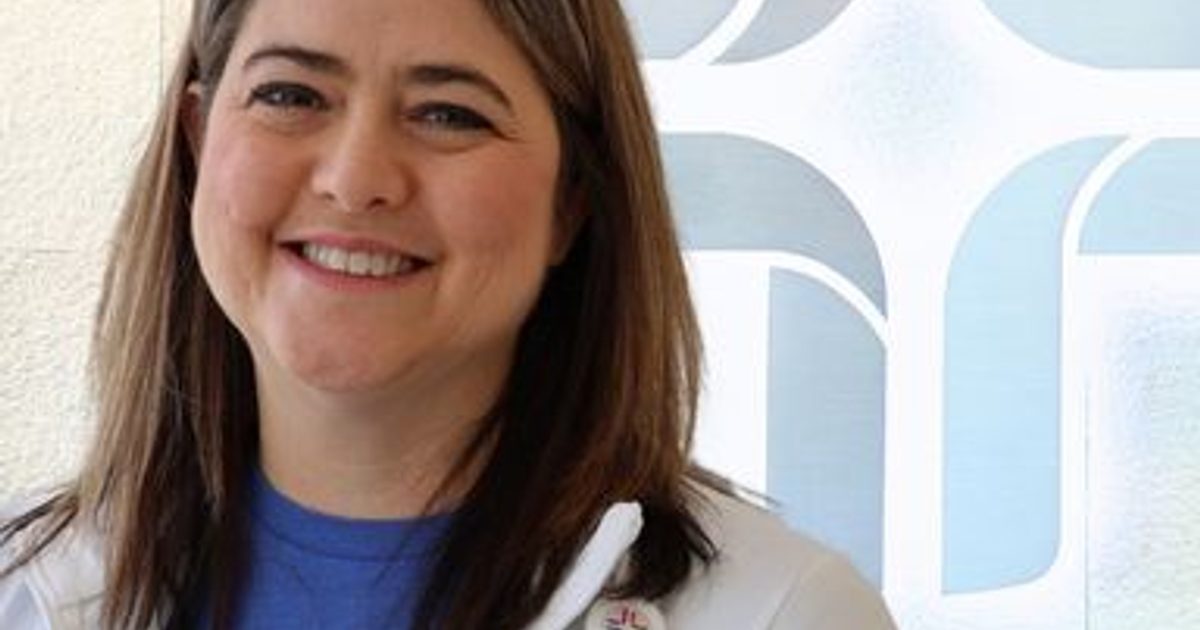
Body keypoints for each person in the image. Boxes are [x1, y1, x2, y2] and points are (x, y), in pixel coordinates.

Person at [0, 0, 898, 628]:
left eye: (448, 113)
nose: (355, 178)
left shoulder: (783, 614)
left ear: (573, 201)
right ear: (198, 140)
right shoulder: (22, 589)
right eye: (290, 96)